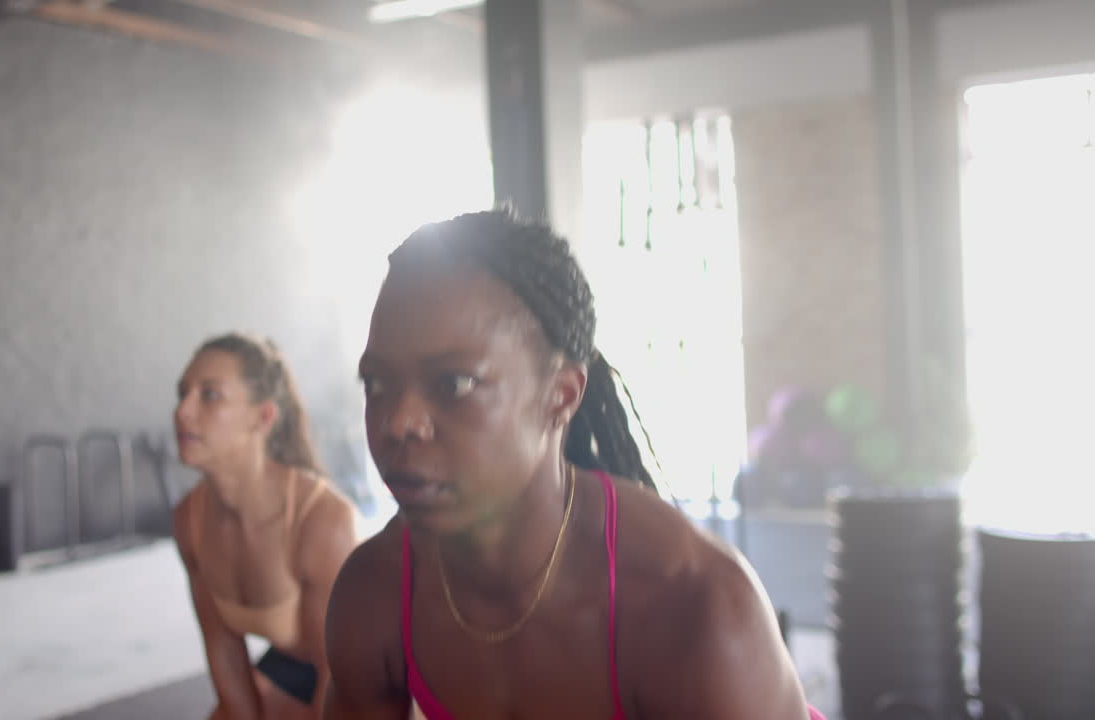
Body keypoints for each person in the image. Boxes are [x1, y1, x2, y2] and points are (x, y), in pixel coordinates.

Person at [322, 209, 825, 719]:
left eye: (453, 384)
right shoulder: (377, 593)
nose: (398, 422)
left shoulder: (691, 608)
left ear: (561, 397)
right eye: (378, 384)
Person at [173, 333, 357, 720]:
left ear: (264, 416)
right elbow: (224, 651)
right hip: (296, 664)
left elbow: (342, 679)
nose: (183, 411)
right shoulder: (190, 520)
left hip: (371, 675)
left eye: (209, 395)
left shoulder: (322, 522)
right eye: (183, 392)